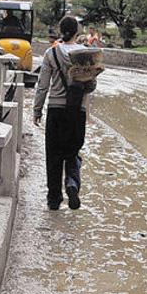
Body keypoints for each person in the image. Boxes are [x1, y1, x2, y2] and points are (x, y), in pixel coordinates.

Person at [33, 16, 95, 210]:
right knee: (72, 152)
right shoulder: (85, 54)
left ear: (61, 31)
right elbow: (91, 86)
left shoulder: (51, 53)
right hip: (77, 111)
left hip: (55, 111)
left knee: (54, 156)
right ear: (77, 32)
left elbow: (42, 85)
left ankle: (54, 200)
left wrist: (37, 110)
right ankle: (72, 183)